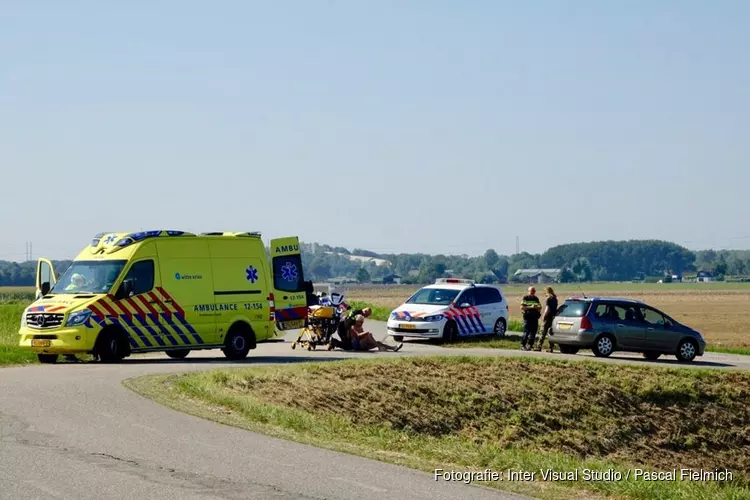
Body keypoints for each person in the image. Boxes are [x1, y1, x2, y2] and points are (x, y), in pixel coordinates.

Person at [534, 286, 558, 352]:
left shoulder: (548, 299)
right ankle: (551, 348)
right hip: (553, 317)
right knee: (551, 333)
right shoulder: (555, 299)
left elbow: (548, 309)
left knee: (543, 332)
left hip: (548, 317)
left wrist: (544, 316)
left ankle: (539, 346)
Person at [520, 286, 542, 350]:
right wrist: (531, 307)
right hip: (528, 317)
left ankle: (530, 345)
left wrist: (537, 307)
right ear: (528, 291)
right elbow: (522, 307)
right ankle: (523, 345)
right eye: (531, 291)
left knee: (533, 332)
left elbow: (540, 307)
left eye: (533, 291)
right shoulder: (525, 298)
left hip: (535, 317)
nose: (532, 292)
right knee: (526, 332)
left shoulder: (536, 298)